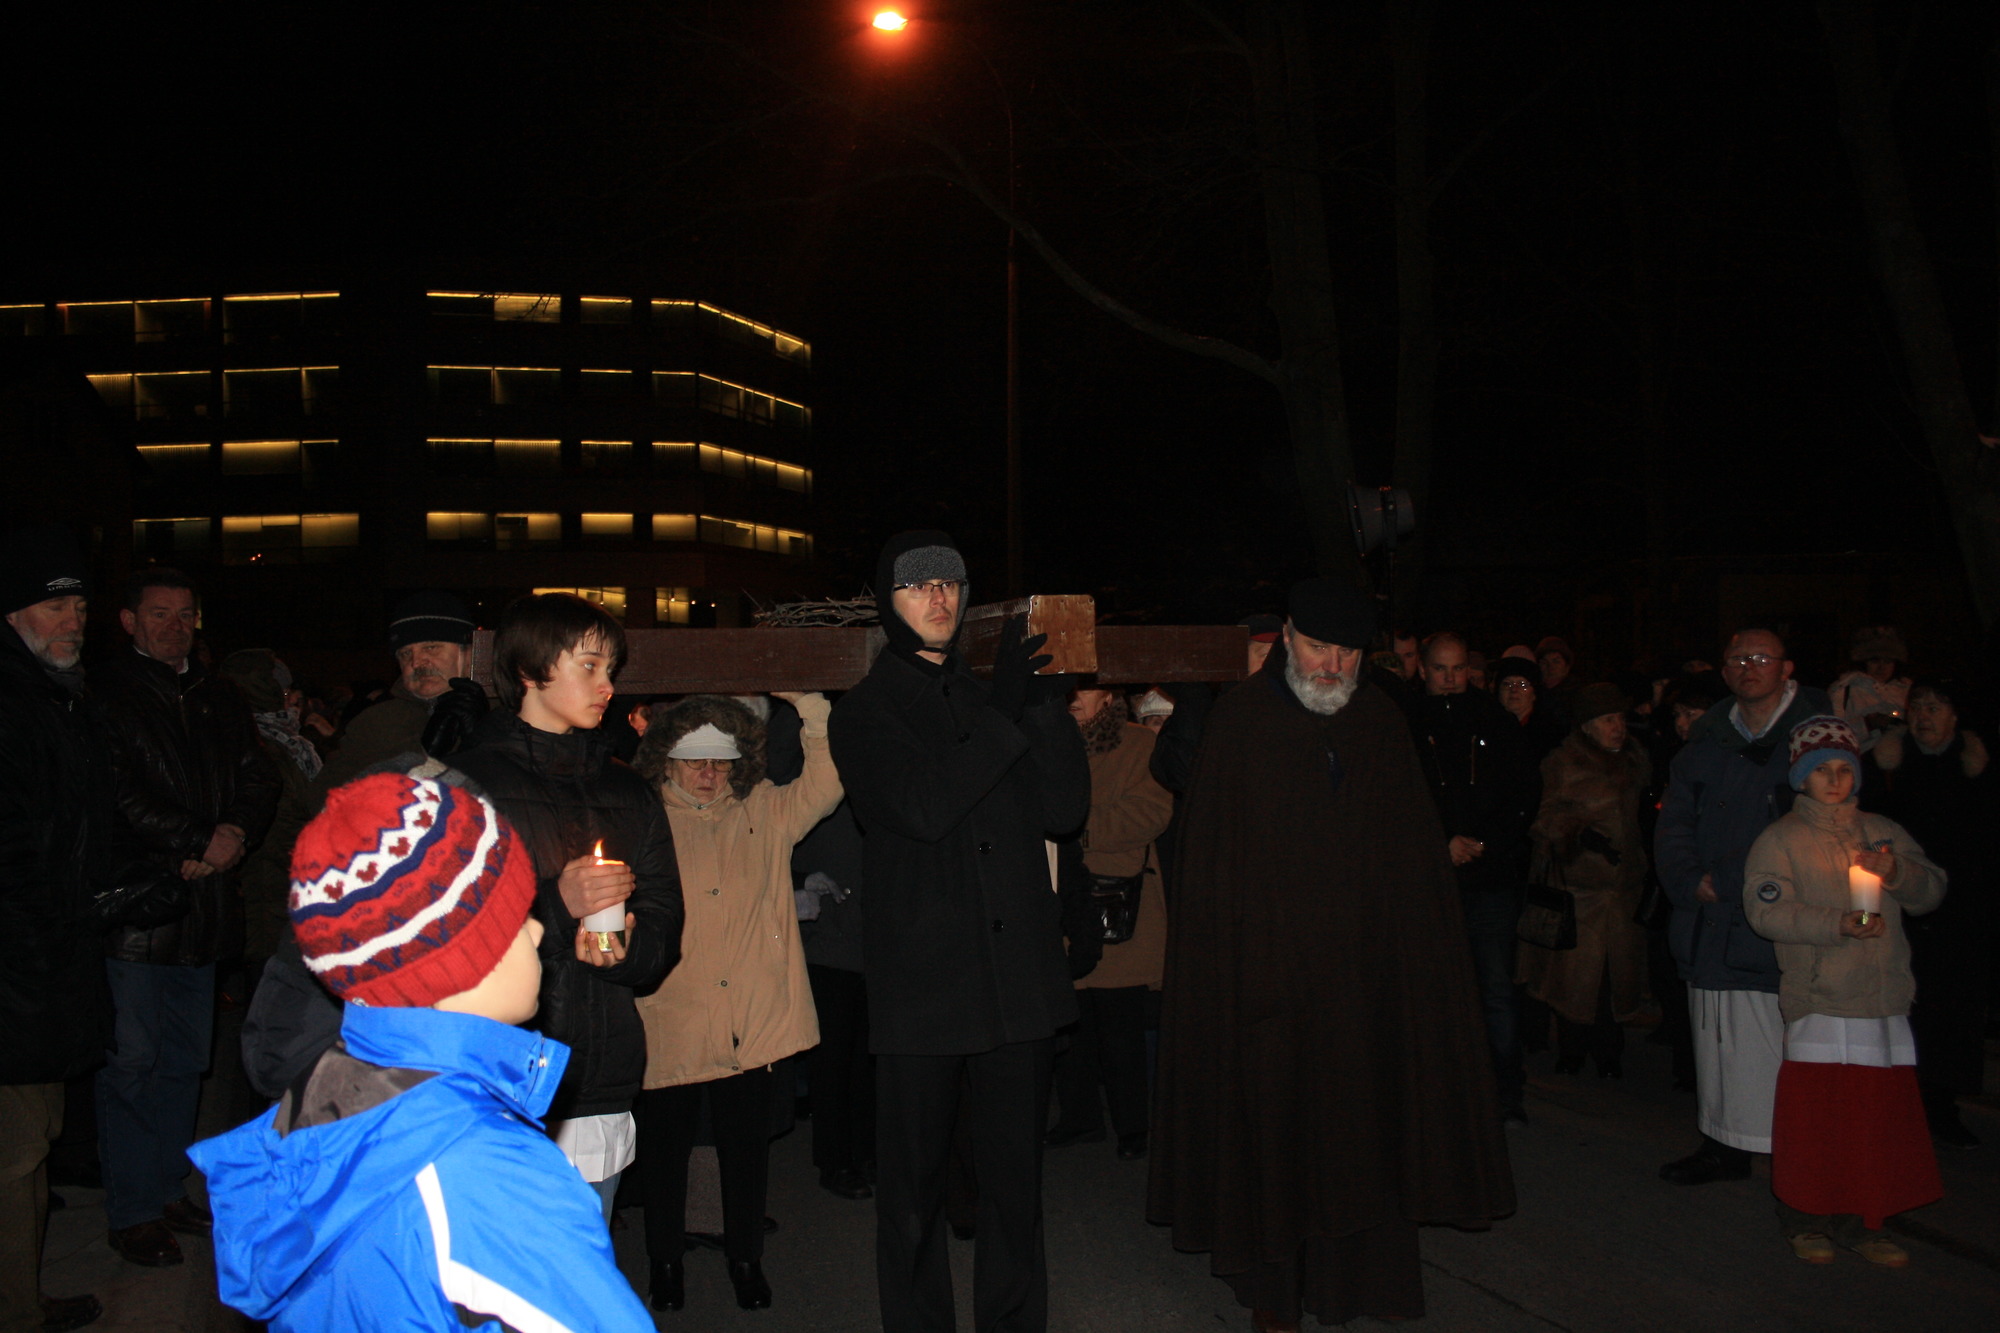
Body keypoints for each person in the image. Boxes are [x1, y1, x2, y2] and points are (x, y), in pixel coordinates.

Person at [1148, 577, 1514, 1330]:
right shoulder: (1242, 722)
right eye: (1319, 647)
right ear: (1287, 637)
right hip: (1268, 985)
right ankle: (1276, 1290)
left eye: (1348, 652)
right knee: (1276, 1129)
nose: (1332, 666)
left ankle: (1365, 1284)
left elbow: (1412, 856)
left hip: (1363, 984)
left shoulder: (1379, 721)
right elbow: (1212, 866)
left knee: (1361, 1131)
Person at [189, 768, 654, 1331]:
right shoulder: (491, 1176)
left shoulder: (328, 1095)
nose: (536, 933)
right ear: (449, 966)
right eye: (513, 919)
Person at [828, 529, 1088, 1333]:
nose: (937, 595)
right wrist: (1006, 707)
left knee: (1016, 1188)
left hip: (1015, 980)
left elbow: (1064, 810)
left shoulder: (992, 697)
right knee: (912, 1194)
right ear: (888, 601)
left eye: (949, 581)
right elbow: (924, 806)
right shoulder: (866, 711)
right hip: (925, 986)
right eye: (917, 584)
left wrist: (1044, 707)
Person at [450, 593, 683, 1222]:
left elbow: (664, 916)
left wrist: (625, 950)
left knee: (582, 1265)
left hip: (598, 1072)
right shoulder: (468, 785)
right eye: (589, 666)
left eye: (612, 669)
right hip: (495, 1074)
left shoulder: (627, 788)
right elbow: (445, 935)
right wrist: (557, 905)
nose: (608, 686)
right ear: (530, 670)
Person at [90, 568, 280, 1268]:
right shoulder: (105, 694)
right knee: (132, 1062)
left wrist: (231, 834)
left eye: (185, 614)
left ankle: (167, 1188)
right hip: (140, 911)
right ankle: (132, 1208)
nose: (174, 626)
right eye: (159, 613)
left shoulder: (216, 695)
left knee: (183, 1062)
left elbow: (260, 775)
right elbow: (112, 792)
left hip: (202, 908)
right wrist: (197, 842)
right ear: (129, 621)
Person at [629, 692, 843, 1312]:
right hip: (671, 1013)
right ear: (667, 760)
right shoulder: (641, 820)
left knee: (747, 1153)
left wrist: (811, 707)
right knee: (665, 1153)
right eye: (694, 760)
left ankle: (746, 1259)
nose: (708, 773)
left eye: (720, 761)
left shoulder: (765, 810)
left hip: (751, 1018)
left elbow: (827, 782)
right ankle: (664, 1262)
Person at [1742, 716, 1945, 1266]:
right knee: (1819, 1119)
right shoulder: (1781, 839)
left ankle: (1865, 1219)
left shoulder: (1882, 831)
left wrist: (1896, 871)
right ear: (1800, 777)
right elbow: (1766, 910)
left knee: (1873, 1119)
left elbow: (1931, 889)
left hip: (1880, 1000)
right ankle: (1806, 1218)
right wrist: (1835, 923)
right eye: (1821, 770)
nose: (1834, 780)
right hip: (1822, 998)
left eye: (1843, 769)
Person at [1654, 629, 1832, 1186]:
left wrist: (1733, 878)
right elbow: (1674, 821)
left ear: (1786, 668)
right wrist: (1689, 879)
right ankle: (1723, 1143)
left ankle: (1794, 1151)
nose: (1747, 667)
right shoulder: (1705, 743)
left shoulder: (1816, 737)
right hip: (1708, 915)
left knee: (1778, 1039)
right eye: (1736, 659)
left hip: (1779, 913)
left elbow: (1817, 823)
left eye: (1760, 658)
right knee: (1718, 1038)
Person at [1, 527, 110, 1333]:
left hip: (40, 961)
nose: (72, 619)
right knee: (15, 1150)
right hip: (18, 966)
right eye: (53, 605)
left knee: (32, 1140)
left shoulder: (50, 694)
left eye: (78, 604)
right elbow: (20, 850)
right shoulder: (14, 704)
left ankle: (23, 1296)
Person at [1409, 632, 1539, 1123]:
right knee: (1432, 990)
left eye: (1458, 668)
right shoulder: (1406, 723)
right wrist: (1439, 842)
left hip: (1489, 877)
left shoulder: (1494, 722)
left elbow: (1521, 793)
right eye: (1441, 669)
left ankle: (1505, 1090)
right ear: (1424, 670)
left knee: (1495, 988)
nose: (1450, 678)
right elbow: (1400, 797)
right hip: (1431, 881)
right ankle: (1441, 1089)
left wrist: (1484, 843)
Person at [1046, 686, 1173, 1160]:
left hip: (1118, 899)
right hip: (1063, 901)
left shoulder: (1140, 743)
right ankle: (1080, 1119)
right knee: (1070, 1022)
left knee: (1120, 1025)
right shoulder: (1046, 741)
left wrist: (1074, 830)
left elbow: (1151, 811)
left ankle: (1133, 1126)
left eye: (1086, 687)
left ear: (1109, 695)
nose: (1073, 697)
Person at [1868, 678, 1993, 1147]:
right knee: (1904, 1002)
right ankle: (1896, 1102)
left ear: (1955, 716)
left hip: (1963, 909)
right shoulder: (1888, 763)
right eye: (1918, 706)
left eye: (1936, 707)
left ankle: (1941, 1104)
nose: (1925, 716)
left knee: (1952, 1009)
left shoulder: (1978, 766)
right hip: (1902, 904)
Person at [1520, 683, 1650, 1079]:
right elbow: (1542, 816)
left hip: (1623, 890)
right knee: (1574, 980)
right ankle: (1572, 1049)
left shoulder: (1635, 760)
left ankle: (1609, 1052)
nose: (1617, 727)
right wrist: (1576, 833)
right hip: (1579, 891)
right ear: (1588, 725)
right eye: (1608, 720)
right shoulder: (1563, 763)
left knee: (1614, 978)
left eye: (1620, 719)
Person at [310, 590, 486, 800]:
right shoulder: (376, 724)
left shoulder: (507, 714)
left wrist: (483, 742)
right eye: (405, 653)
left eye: (431, 647)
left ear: (468, 652)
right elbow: (324, 802)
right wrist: (421, 757)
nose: (416, 662)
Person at [1829, 626, 1911, 751]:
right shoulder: (1843, 689)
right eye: (1875, 661)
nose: (1881, 667)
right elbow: (1833, 733)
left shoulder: (1907, 690)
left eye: (1888, 662)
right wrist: (1868, 724)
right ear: (1864, 662)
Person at [1490, 656, 1564, 760]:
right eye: (1507, 684)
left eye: (1522, 684)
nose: (1514, 690)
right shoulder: (1487, 727)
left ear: (1534, 693)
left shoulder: (1550, 733)